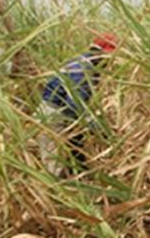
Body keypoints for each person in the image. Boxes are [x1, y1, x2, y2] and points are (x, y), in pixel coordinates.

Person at [37, 33, 118, 176]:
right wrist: (98, 128)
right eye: (108, 56)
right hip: (53, 114)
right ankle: (56, 191)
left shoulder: (88, 65)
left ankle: (79, 180)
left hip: (64, 113)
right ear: (97, 52)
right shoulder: (81, 69)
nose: (110, 62)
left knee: (76, 150)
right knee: (54, 162)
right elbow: (75, 105)